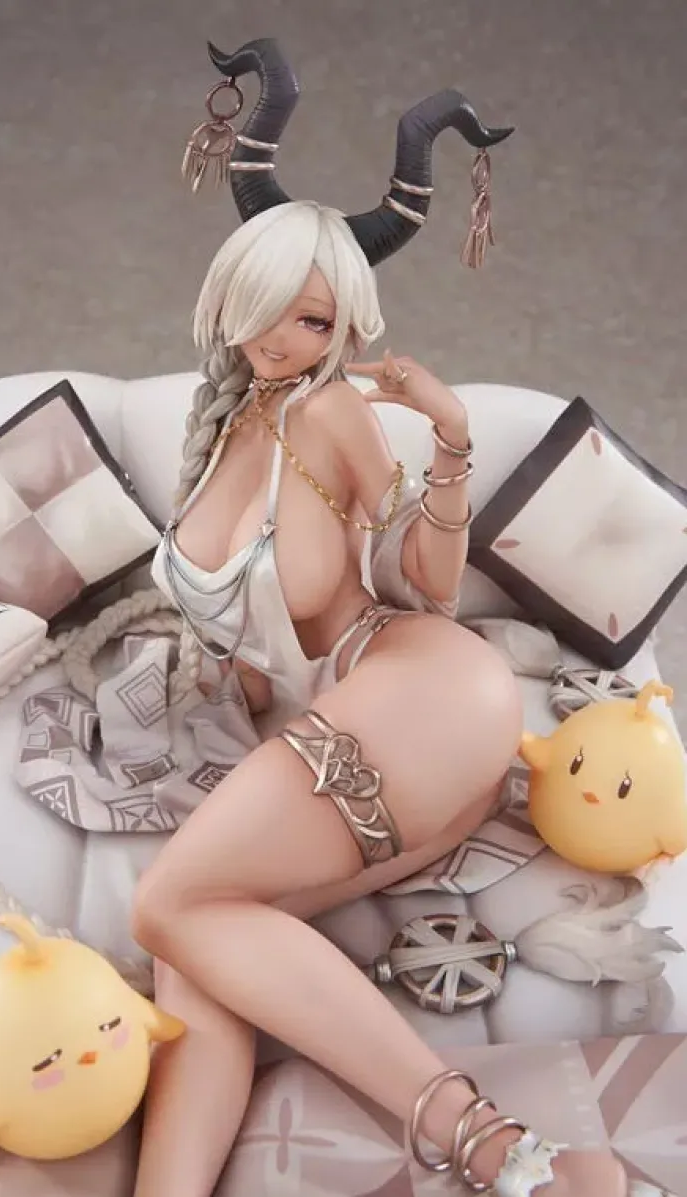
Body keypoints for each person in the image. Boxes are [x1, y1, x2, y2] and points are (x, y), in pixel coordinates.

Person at [130, 38, 663, 1197]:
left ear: (347, 331)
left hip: (418, 689)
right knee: (190, 945)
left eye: (313, 322)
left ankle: (498, 1150)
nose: (282, 341)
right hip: (355, 739)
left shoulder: (326, 415)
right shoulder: (229, 421)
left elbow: (423, 583)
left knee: (164, 901)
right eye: (267, 313)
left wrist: (452, 440)